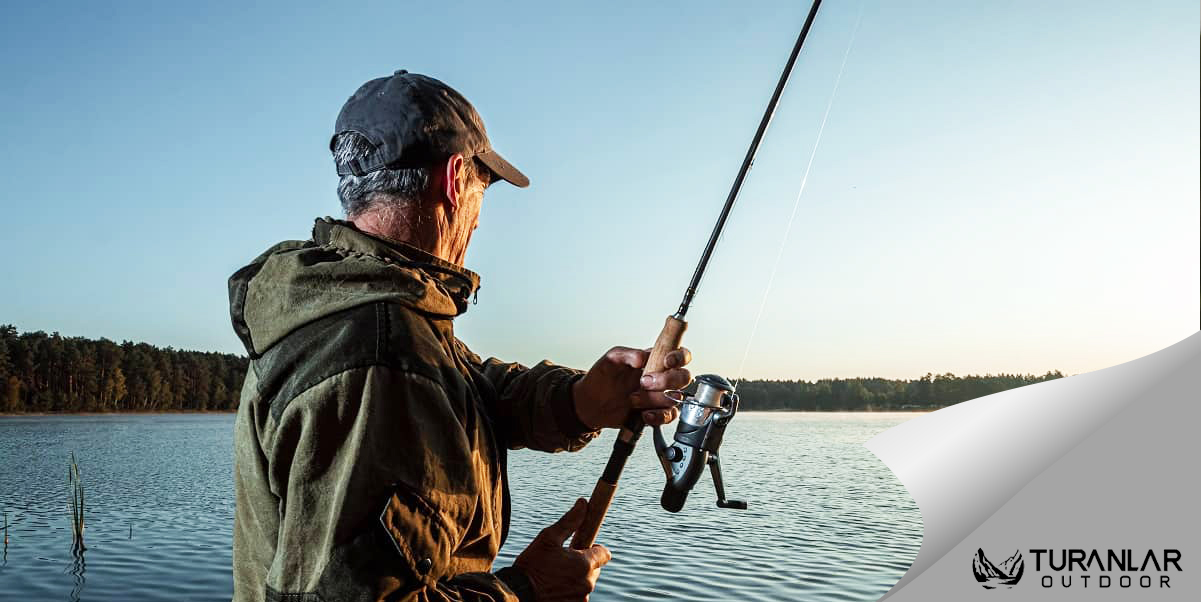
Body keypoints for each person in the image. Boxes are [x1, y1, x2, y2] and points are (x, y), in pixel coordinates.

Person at [227, 70, 692, 602]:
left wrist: (582, 400)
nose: (476, 222)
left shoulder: (368, 308)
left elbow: (473, 386)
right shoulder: (377, 351)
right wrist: (524, 589)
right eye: (481, 191)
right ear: (453, 180)